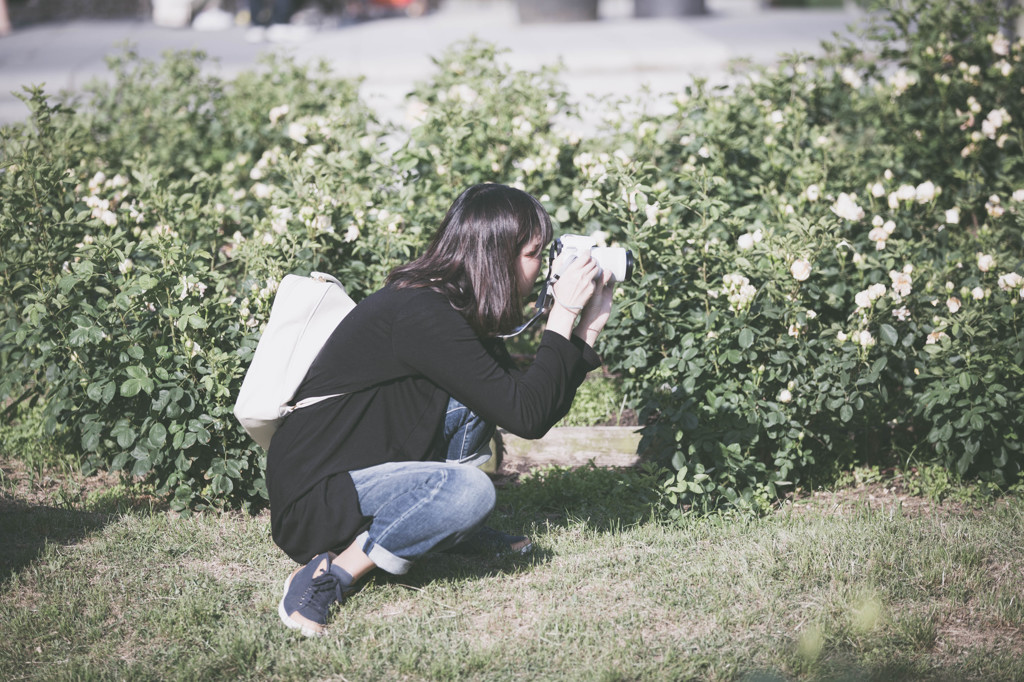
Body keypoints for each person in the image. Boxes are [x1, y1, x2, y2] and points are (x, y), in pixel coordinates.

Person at [267, 183, 616, 636]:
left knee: (481, 400)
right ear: (496, 254)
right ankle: (330, 575)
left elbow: (528, 408)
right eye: (536, 253)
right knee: (471, 491)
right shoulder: (421, 313)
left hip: (366, 472)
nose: (546, 267)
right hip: (318, 500)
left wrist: (584, 330)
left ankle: (445, 532)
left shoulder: (451, 307)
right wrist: (562, 315)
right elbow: (527, 414)